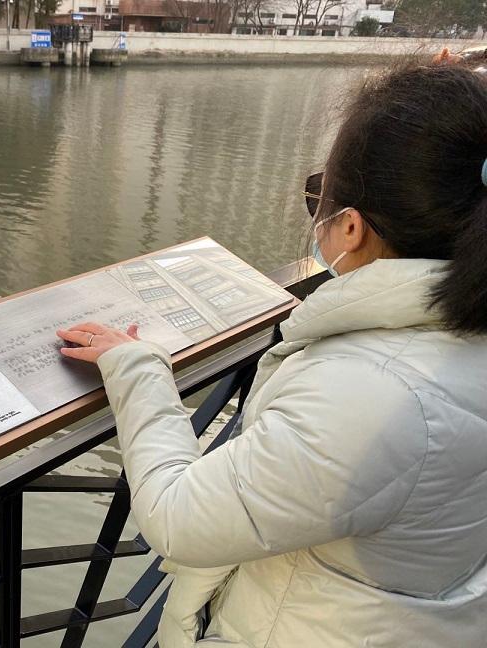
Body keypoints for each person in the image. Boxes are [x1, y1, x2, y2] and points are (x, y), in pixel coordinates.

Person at [55, 62, 487, 646]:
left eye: (318, 194)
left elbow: (177, 515)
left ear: (351, 227)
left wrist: (138, 369)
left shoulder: (373, 396)